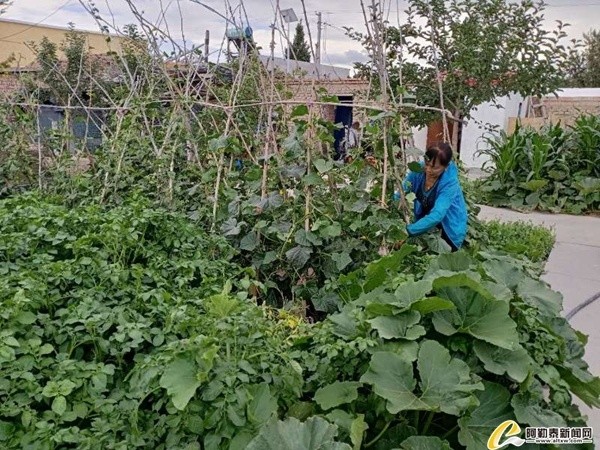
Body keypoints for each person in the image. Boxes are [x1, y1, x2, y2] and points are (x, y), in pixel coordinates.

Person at [403, 142, 468, 251]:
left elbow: (438, 215)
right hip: (425, 219)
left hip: (448, 227)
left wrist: (408, 231)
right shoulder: (418, 170)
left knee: (437, 254)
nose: (428, 170)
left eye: (434, 167)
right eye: (427, 164)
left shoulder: (450, 183)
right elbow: (401, 193)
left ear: (446, 167)